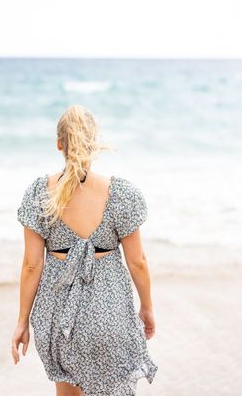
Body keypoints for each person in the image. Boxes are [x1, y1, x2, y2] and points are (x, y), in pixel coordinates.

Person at [12, 104, 158, 396]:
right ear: (94, 144)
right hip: (109, 316)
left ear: (59, 145)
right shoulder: (121, 195)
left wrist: (22, 321)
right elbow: (138, 262)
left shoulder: (40, 194)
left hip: (56, 318)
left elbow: (31, 265)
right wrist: (147, 307)